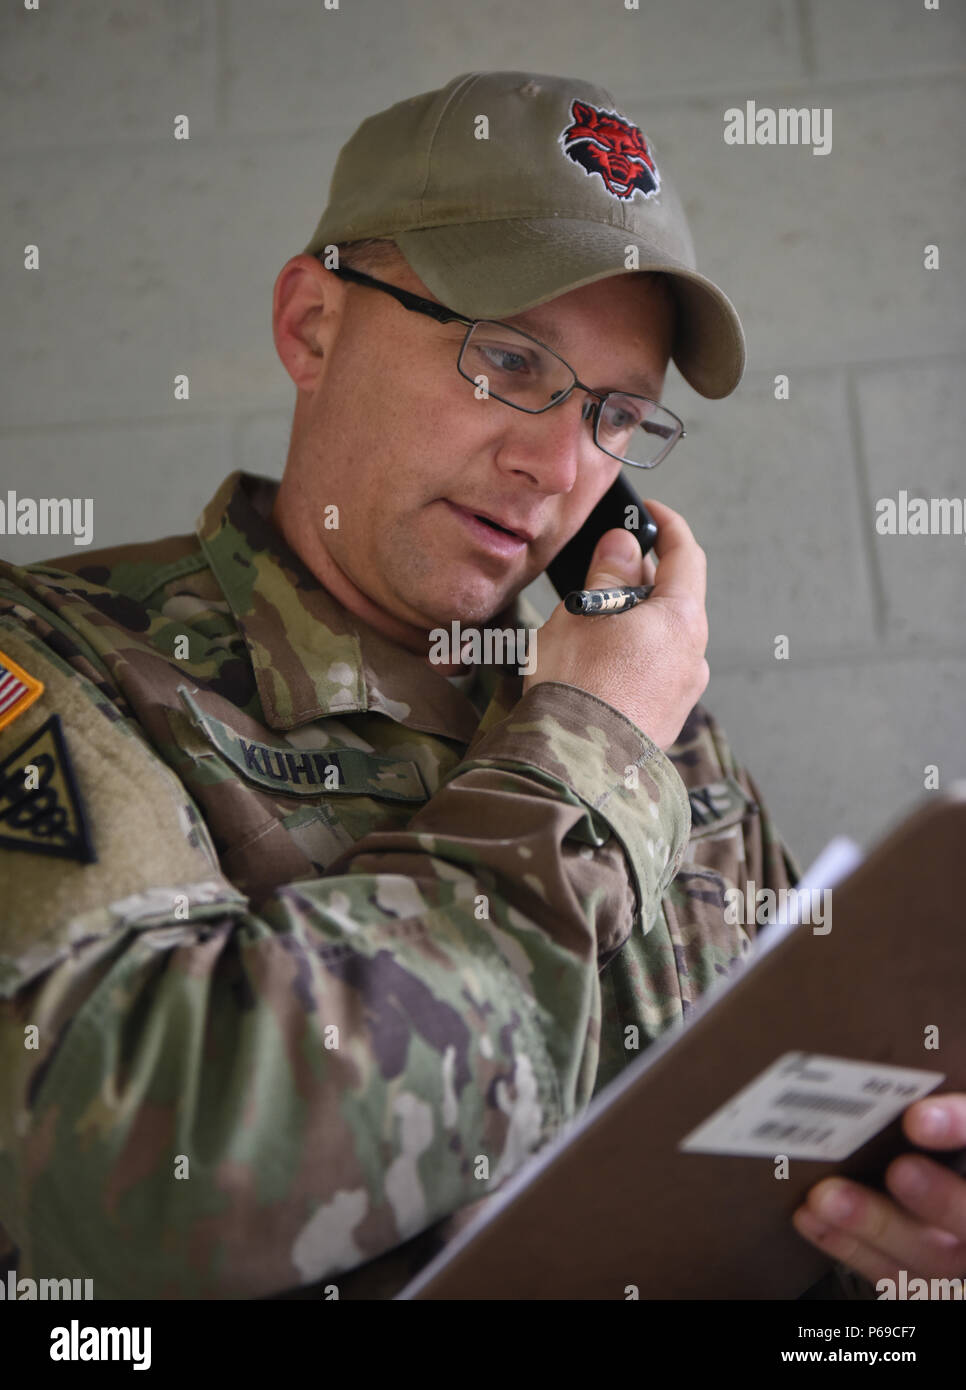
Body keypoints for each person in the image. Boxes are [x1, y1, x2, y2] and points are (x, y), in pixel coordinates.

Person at [0, 70, 962, 1302]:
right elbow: (139, 1175)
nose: (557, 464)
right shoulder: (55, 661)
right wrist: (591, 748)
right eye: (509, 360)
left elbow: (790, 1162)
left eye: (617, 414)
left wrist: (907, 1259)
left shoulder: (666, 740)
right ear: (312, 325)